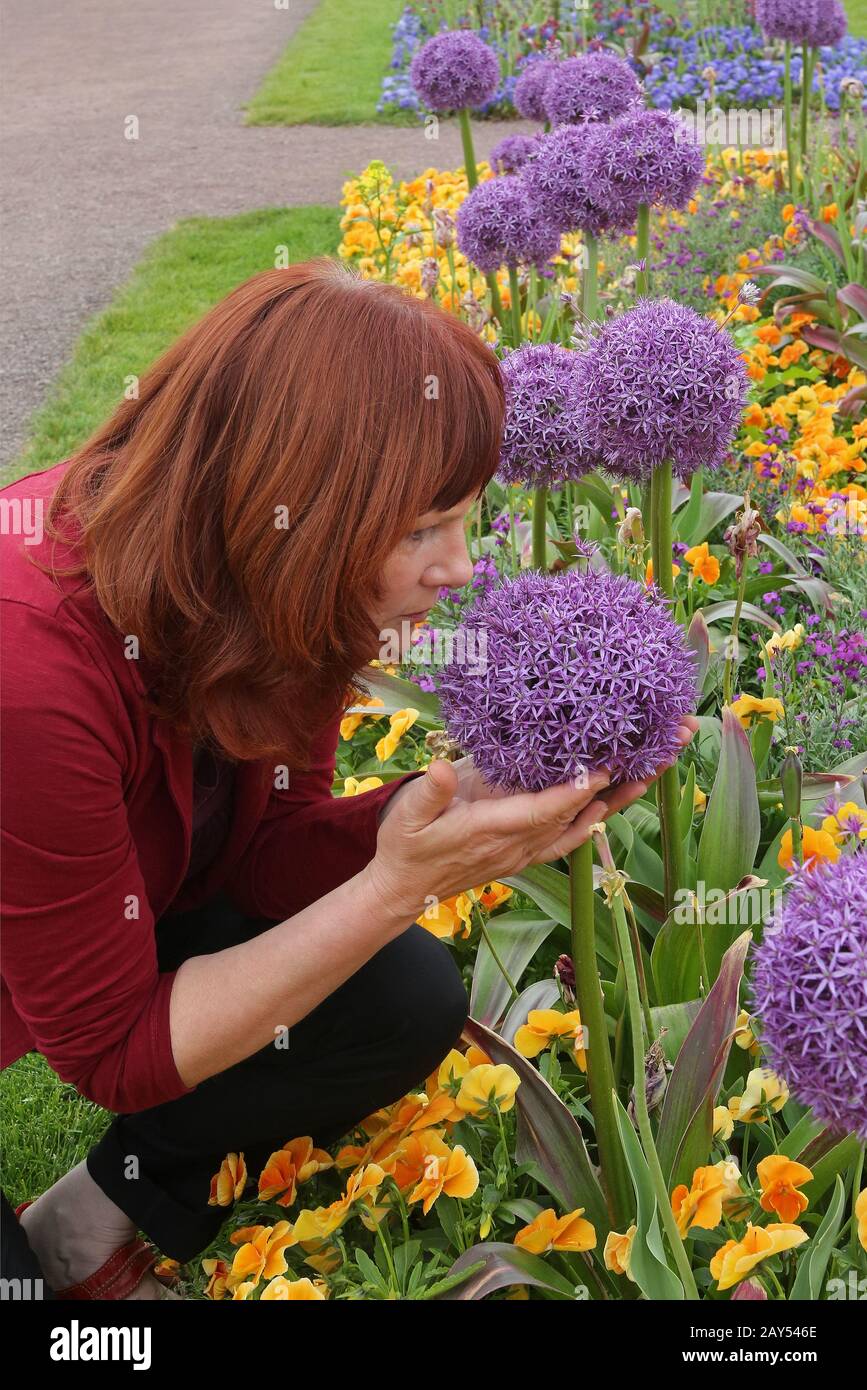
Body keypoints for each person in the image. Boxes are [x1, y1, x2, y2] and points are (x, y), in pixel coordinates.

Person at [1, 257, 695, 1299]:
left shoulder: (272, 587)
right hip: (70, 992)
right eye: (421, 528)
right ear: (293, 506)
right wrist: (396, 885)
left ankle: (90, 1218)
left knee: (398, 993)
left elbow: (269, 853)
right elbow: (111, 1048)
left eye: (461, 519)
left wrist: (456, 811)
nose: (459, 567)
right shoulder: (32, 669)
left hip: (92, 936)